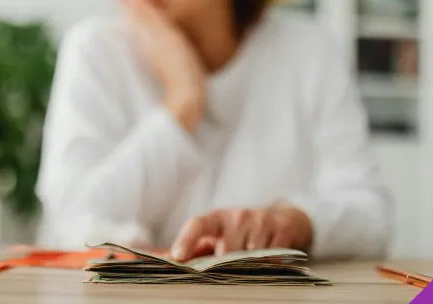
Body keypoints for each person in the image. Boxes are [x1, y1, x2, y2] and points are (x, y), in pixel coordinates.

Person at [36, 0, 393, 262]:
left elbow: (373, 218)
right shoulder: (95, 48)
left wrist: (298, 222)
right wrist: (184, 101)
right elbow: (70, 220)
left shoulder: (311, 52)